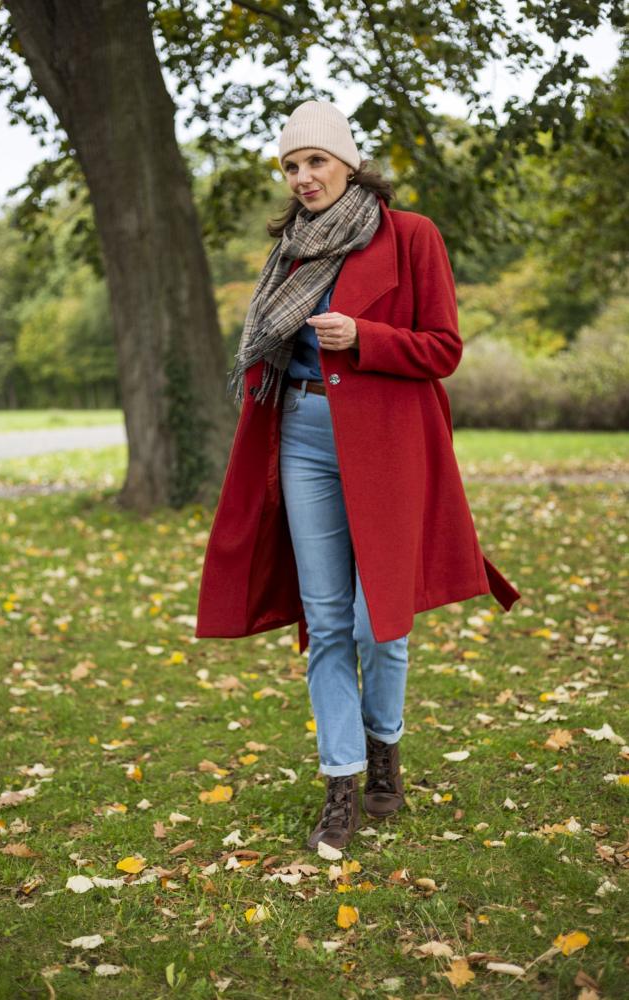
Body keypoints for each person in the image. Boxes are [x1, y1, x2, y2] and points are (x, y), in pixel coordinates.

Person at [196, 100, 521, 851]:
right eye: (290, 165)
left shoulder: (410, 235)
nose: (303, 176)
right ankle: (341, 782)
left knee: (381, 620)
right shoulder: (289, 255)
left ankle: (384, 750)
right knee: (327, 619)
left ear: (348, 162)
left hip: (385, 445)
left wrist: (362, 336)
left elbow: (443, 348)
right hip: (300, 435)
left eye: (315, 160)